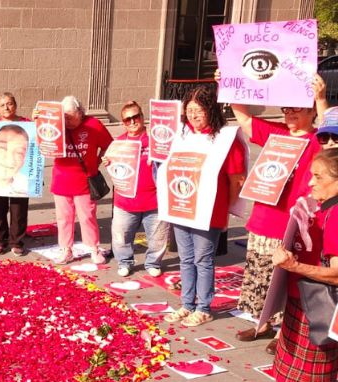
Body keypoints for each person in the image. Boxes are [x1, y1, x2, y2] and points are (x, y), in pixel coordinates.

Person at [224, 73, 330, 349]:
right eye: (286, 108)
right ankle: (261, 323)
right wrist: (230, 82)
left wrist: (320, 99)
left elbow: (334, 133)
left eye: (296, 108)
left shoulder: (320, 139)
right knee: (259, 276)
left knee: (284, 281)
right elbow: (243, 117)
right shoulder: (276, 132)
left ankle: (286, 332)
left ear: (309, 111)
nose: (289, 113)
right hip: (262, 219)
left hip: (293, 224)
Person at [261, 149, 338, 382]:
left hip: (322, 304)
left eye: (319, 177)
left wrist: (294, 265)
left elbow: (336, 272)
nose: (311, 182)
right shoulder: (329, 209)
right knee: (315, 376)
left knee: (317, 377)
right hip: (312, 299)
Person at [162, 86, 247, 327]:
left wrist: (227, 208)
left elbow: (236, 179)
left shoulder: (225, 139)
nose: (193, 115)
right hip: (182, 206)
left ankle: (203, 307)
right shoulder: (183, 135)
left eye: (199, 110)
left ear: (211, 110)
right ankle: (187, 303)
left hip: (208, 212)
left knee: (203, 259)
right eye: (189, 110)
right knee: (186, 258)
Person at [106, 101, 168, 278]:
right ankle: (124, 262)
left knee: (157, 238)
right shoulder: (118, 143)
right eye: (127, 120)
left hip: (154, 200)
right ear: (123, 123)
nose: (132, 122)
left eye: (135, 117)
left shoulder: (156, 141)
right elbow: (111, 165)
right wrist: (107, 163)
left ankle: (153, 262)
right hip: (125, 201)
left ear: (142, 117)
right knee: (121, 236)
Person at [50, 96, 113, 264]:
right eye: (65, 117)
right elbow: (41, 139)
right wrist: (39, 119)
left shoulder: (93, 124)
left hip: (85, 181)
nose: (68, 121)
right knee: (64, 218)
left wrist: (99, 159)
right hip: (61, 179)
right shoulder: (57, 125)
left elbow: (109, 144)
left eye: (71, 116)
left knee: (87, 217)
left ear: (81, 112)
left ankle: (93, 248)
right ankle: (66, 249)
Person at [0, 93, 32, 255]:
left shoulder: (27, 123)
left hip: (19, 176)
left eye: (10, 104)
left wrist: (40, 120)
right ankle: (0, 239)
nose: (6, 107)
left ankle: (17, 240)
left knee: (19, 208)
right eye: (2, 105)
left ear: (15, 105)